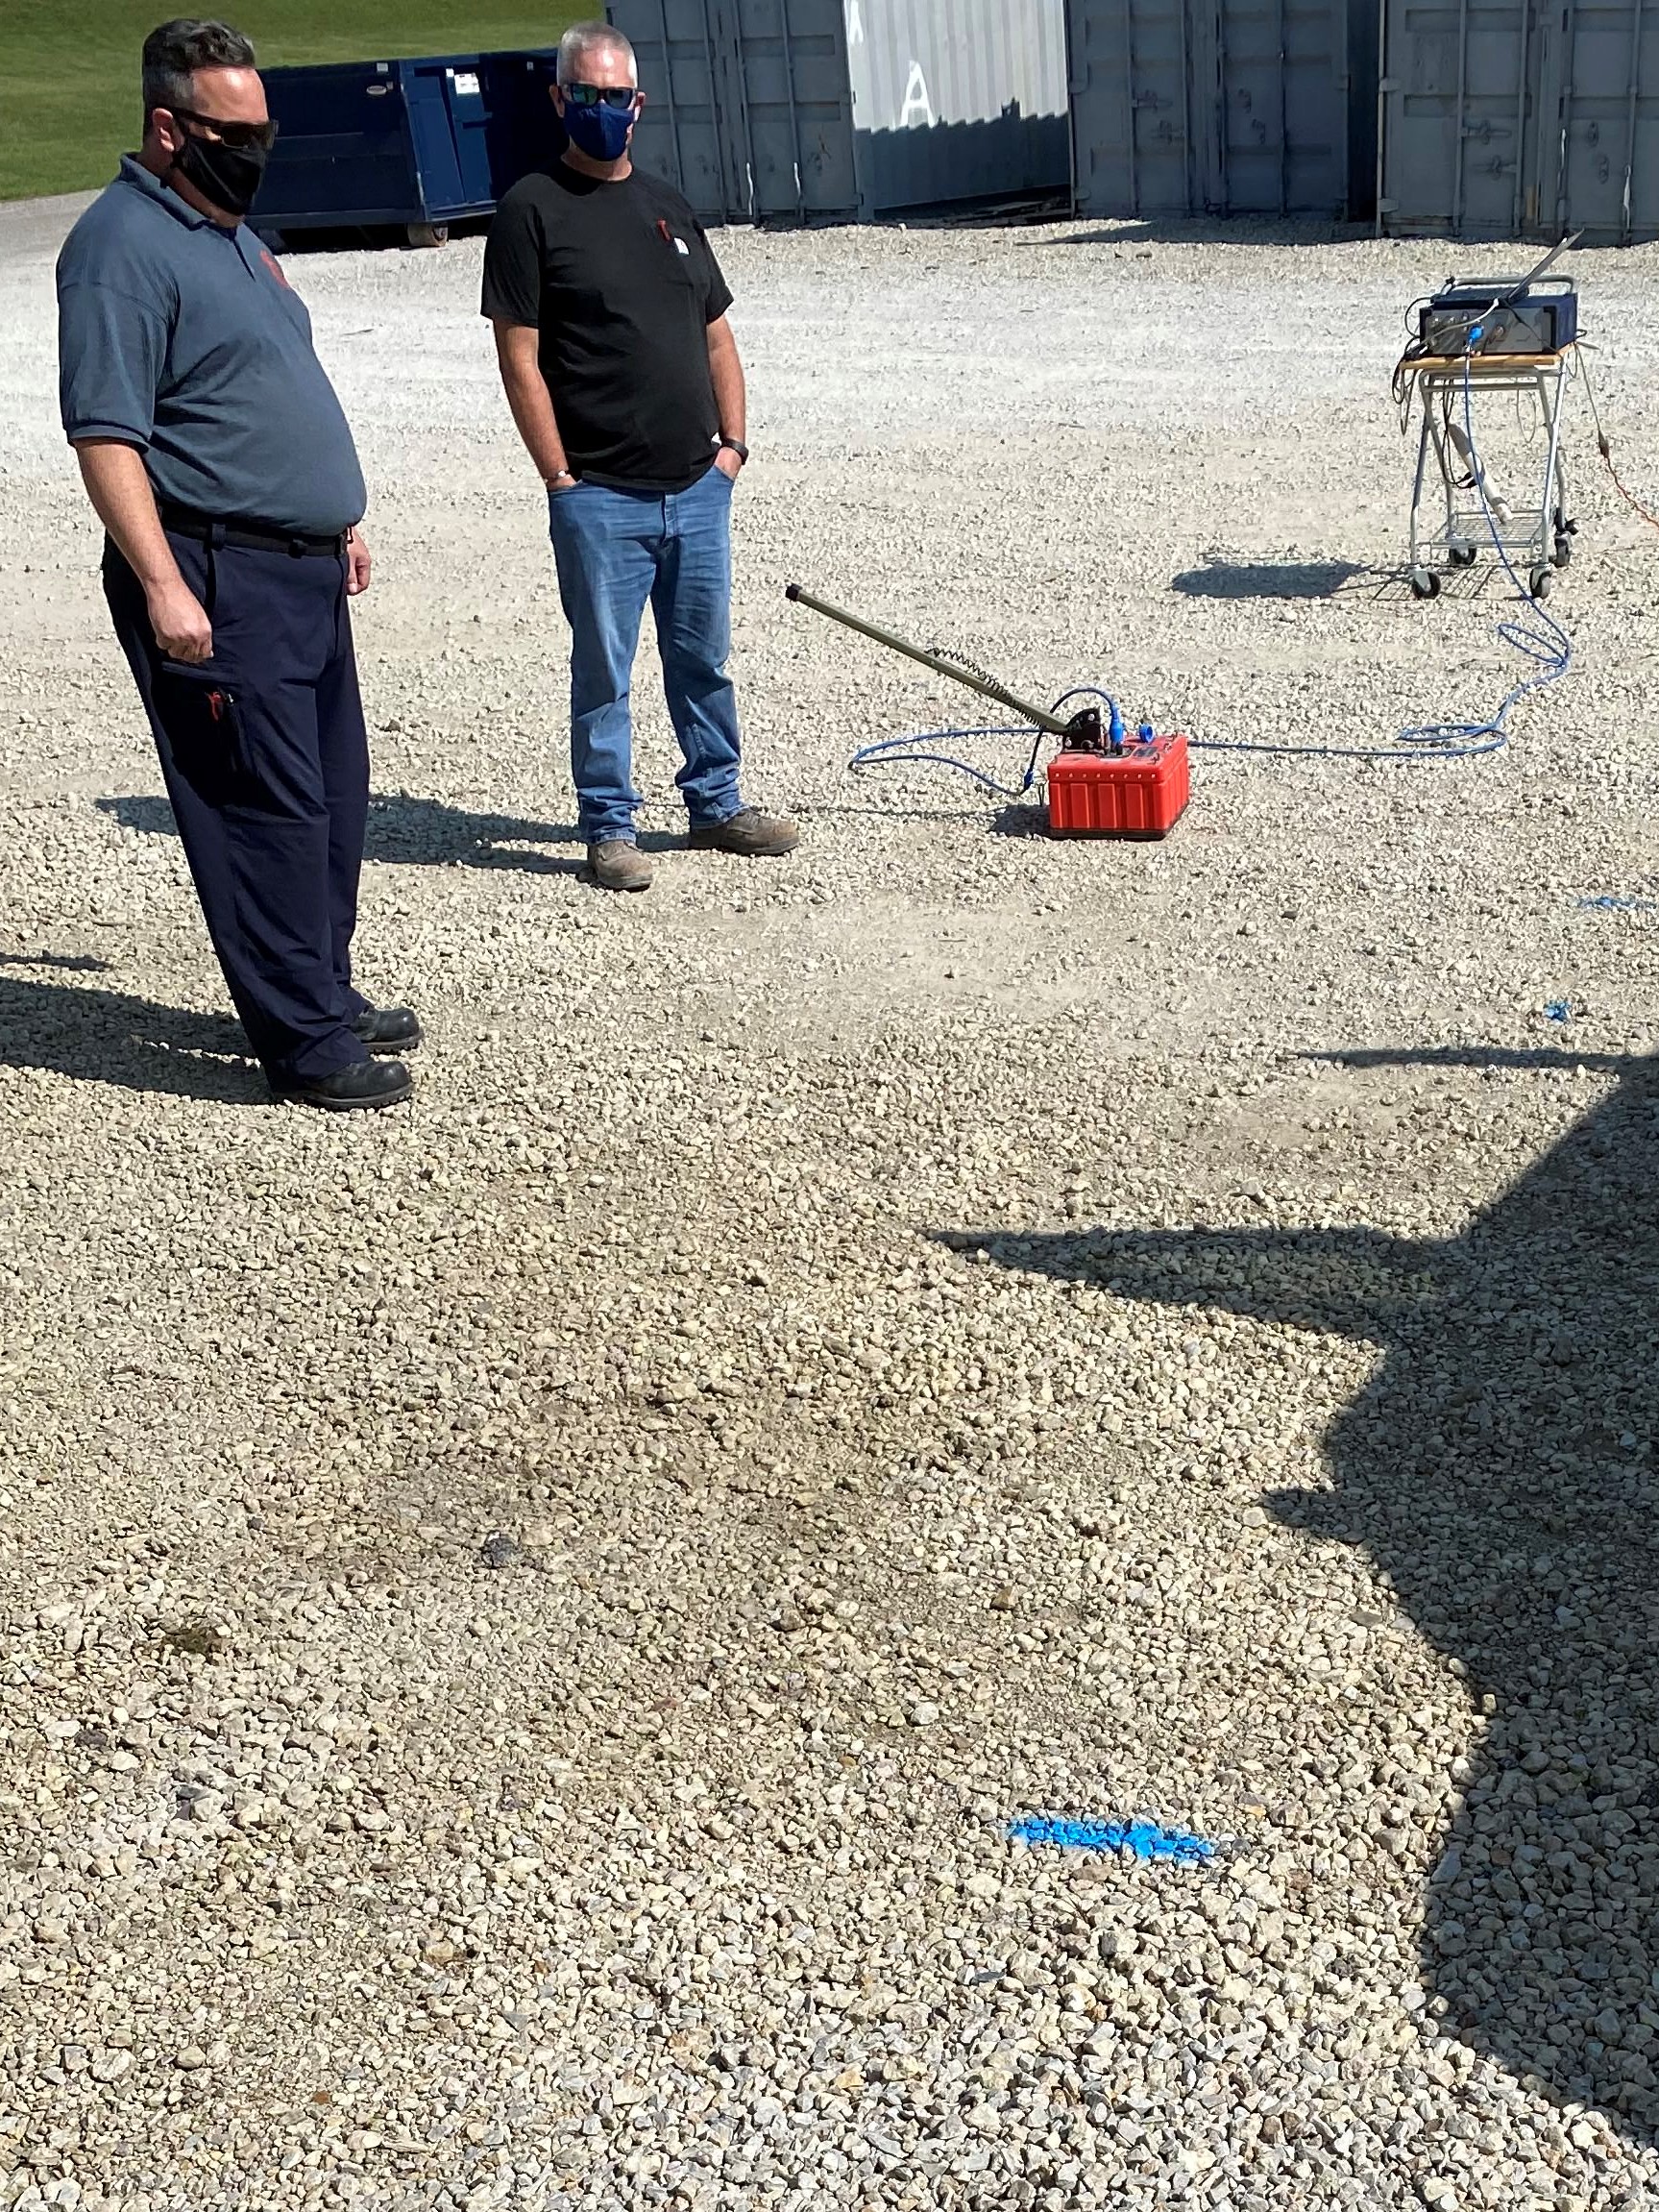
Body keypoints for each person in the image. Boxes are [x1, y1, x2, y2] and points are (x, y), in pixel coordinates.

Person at [56, 18, 417, 1109]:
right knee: (261, 810)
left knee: (331, 802)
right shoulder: (120, 247)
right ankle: (304, 1045)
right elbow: (106, 435)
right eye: (232, 131)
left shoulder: (226, 235)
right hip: (215, 571)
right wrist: (163, 582)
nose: (255, 149)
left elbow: (254, 392)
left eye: (262, 129)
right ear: (168, 127)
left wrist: (335, 518)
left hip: (297, 567)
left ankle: (321, 987)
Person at [482, 19, 796, 894]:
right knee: (604, 669)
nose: (603, 109)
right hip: (601, 495)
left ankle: (716, 802)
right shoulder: (530, 210)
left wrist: (732, 448)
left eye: (616, 96)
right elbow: (519, 355)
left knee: (702, 656)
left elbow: (718, 336)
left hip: (696, 485)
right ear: (559, 98)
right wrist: (558, 477)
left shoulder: (669, 206)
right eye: (586, 94)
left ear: (639, 104)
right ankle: (609, 825)